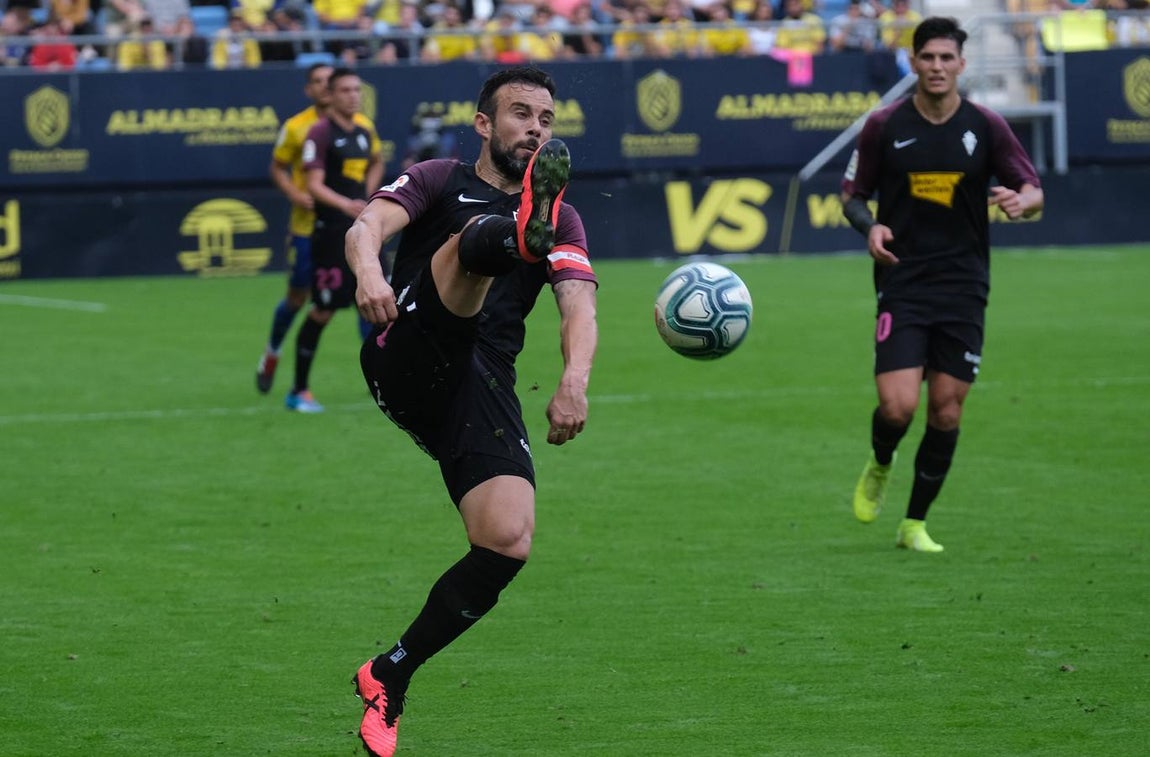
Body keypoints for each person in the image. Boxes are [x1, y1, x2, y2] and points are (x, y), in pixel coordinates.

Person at [345, 65, 598, 756]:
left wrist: (574, 379)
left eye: (546, 119)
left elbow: (580, 303)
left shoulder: (567, 217)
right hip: (408, 342)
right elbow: (367, 226)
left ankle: (389, 672)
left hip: (480, 381)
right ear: (484, 124)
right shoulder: (436, 177)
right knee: (473, 241)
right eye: (521, 114)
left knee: (507, 540)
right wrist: (369, 273)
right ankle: (517, 234)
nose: (535, 129)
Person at [841, 16, 1044, 552]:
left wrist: (1024, 200)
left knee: (948, 408)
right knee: (898, 407)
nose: (936, 67)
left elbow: (1032, 187)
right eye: (927, 57)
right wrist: (871, 225)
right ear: (913, 62)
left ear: (961, 63)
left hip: (964, 283)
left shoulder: (987, 125)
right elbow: (852, 197)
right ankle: (881, 461)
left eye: (946, 58)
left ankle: (914, 524)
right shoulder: (883, 125)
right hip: (903, 279)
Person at [284, 67, 384, 413]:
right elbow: (313, 184)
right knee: (323, 310)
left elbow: (376, 160)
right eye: (345, 90)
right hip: (330, 233)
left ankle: (389, 386)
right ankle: (298, 390)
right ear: (331, 94)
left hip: (364, 229)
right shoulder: (320, 133)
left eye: (357, 89)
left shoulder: (362, 130)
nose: (353, 96)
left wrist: (368, 194)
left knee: (381, 306)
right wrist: (347, 205)